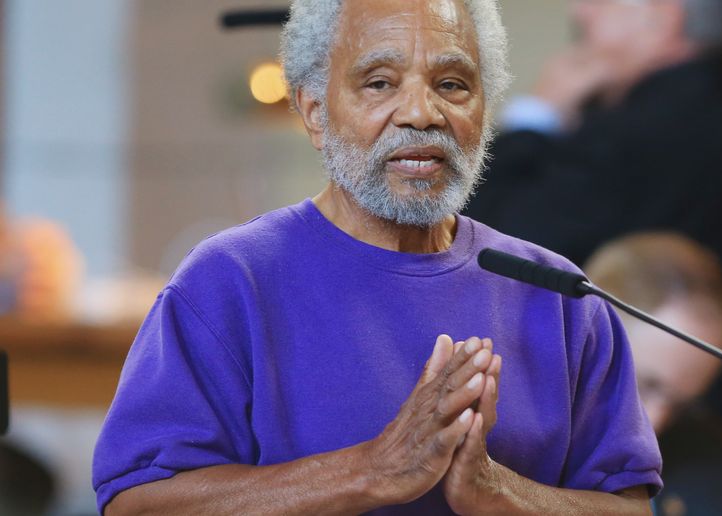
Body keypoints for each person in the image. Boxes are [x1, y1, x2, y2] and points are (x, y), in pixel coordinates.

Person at [92, 1, 662, 514]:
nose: (422, 112)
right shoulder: (229, 282)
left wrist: (495, 493)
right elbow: (138, 505)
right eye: (380, 83)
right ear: (314, 111)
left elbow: (630, 508)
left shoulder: (559, 295)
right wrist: (373, 471)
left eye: (453, 84)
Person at [467, 0, 722, 512]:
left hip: (636, 476)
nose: (581, 12)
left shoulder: (627, 139)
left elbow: (481, 244)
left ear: (664, 14)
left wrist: (536, 117)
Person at [585, 232, 722, 516]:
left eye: (681, 406)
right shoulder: (507, 441)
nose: (655, 422)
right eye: (642, 384)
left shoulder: (709, 460)